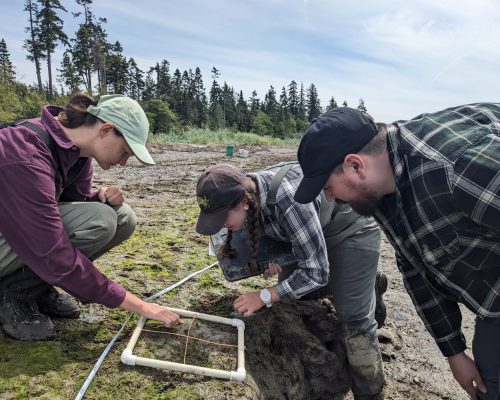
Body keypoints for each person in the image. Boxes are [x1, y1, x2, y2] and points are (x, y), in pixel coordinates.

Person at [294, 104, 500, 400]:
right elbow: (417, 269)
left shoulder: (457, 167)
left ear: (355, 165)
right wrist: (453, 351)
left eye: (327, 186)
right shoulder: (382, 188)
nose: (330, 198)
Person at [0, 93, 182, 341]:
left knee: (121, 217)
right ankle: (12, 295)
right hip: (16, 236)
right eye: (126, 152)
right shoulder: (26, 152)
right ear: (106, 130)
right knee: (100, 219)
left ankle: (33, 287)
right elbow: (55, 254)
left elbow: (63, 207)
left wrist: (98, 197)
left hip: (17, 234)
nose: (124, 162)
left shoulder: (78, 154)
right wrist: (141, 306)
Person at [195, 163, 385, 400]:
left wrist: (264, 295)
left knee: (354, 318)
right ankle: (355, 284)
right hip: (310, 228)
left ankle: (370, 393)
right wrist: (273, 260)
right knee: (295, 298)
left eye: (222, 218)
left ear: (243, 202)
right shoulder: (251, 195)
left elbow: (315, 272)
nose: (221, 225)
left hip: (351, 230)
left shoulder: (289, 199)